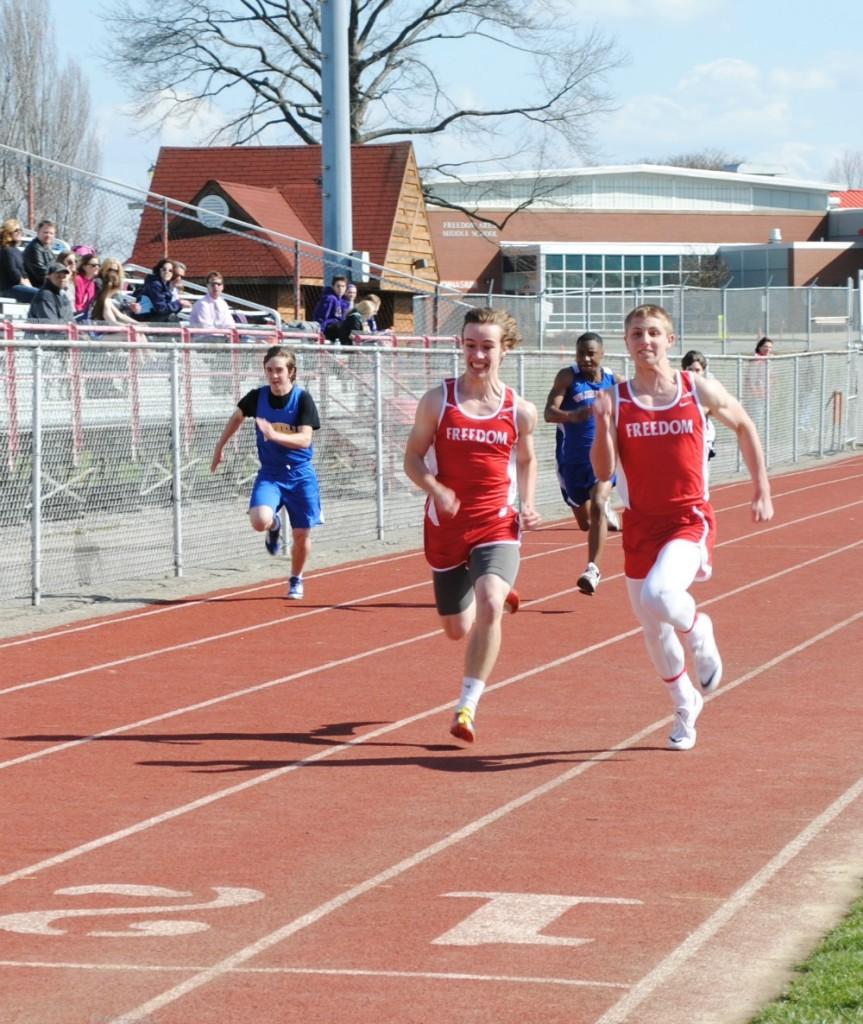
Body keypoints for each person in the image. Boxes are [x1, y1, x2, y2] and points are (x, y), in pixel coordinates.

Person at [591, 304, 773, 751]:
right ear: (627, 342)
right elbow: (603, 470)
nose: (645, 341)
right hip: (639, 525)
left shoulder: (695, 389)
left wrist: (761, 488)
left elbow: (745, 424)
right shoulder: (616, 398)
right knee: (652, 629)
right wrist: (600, 422)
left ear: (669, 340)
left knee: (661, 595)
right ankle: (684, 702)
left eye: (653, 333)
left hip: (688, 518)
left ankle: (701, 632)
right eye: (636, 334)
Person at [403, 306, 541, 743]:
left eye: (487, 347)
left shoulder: (519, 410)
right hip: (445, 527)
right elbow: (411, 458)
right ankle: (495, 585)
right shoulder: (437, 400)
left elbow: (527, 459)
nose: (477, 355)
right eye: (470, 346)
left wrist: (531, 503)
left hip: (497, 522)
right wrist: (436, 490)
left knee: (488, 604)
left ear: (505, 350)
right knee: (456, 629)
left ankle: (466, 706)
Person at [210, 345, 323, 600]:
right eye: (269, 370)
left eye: (279, 370)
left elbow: (305, 440)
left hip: (300, 474)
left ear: (291, 372)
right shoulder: (257, 397)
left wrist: (274, 434)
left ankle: (296, 578)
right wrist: (219, 446)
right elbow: (237, 417)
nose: (274, 375)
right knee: (259, 521)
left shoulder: (302, 399)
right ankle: (274, 525)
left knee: (302, 533)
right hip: (270, 474)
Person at [544, 330, 622, 596]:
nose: (586, 358)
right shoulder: (568, 377)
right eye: (581, 353)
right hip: (571, 462)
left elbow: (632, 411)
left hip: (603, 459)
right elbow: (548, 413)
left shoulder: (614, 381)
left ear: (602, 354)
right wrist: (572, 416)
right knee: (586, 523)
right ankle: (601, 513)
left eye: (591, 353)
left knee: (599, 503)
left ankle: (592, 569)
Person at [681, 350, 717, 464]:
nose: (693, 373)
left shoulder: (706, 387)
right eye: (690, 370)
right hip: (684, 438)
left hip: (703, 437)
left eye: (697, 370)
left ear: (703, 371)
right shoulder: (678, 387)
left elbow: (708, 409)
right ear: (684, 370)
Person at [0, 218, 38, 302]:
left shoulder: (17, 251)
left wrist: (30, 287)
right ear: (8, 233)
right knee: (41, 295)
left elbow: (24, 273)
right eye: (16, 230)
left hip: (19, 287)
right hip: (8, 289)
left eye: (20, 230)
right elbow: (14, 274)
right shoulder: (6, 250)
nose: (19, 232)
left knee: (44, 294)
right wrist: (27, 287)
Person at [743, 336, 774, 439]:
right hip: (756, 397)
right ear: (759, 347)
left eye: (770, 347)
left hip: (764, 395)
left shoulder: (767, 360)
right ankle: (752, 439)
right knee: (755, 418)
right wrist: (756, 393)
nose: (768, 349)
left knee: (760, 419)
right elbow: (751, 380)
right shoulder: (756, 360)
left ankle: (755, 438)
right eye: (765, 346)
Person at [135, 258, 183, 322]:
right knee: (171, 318)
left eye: (170, 270)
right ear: (159, 270)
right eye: (164, 269)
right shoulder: (154, 285)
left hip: (154, 317)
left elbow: (168, 309)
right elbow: (161, 309)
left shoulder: (166, 285)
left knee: (172, 317)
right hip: (146, 319)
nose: (167, 272)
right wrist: (179, 304)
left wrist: (179, 305)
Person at [312, 274, 350, 341]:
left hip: (338, 327)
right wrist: (320, 331)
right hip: (329, 328)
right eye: (338, 286)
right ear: (333, 287)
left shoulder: (344, 301)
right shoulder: (329, 299)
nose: (340, 289)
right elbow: (322, 317)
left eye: (343, 286)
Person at [22, 220, 56, 289]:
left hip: (47, 284)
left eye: (51, 233)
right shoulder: (34, 248)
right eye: (45, 232)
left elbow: (55, 267)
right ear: (38, 232)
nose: (48, 235)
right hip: (37, 287)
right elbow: (41, 275)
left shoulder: (47, 248)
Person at [73, 250, 101, 319]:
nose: (97, 267)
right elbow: (76, 304)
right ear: (84, 266)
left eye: (98, 265)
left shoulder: (92, 283)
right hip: (74, 314)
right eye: (93, 265)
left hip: (83, 315)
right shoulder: (77, 279)